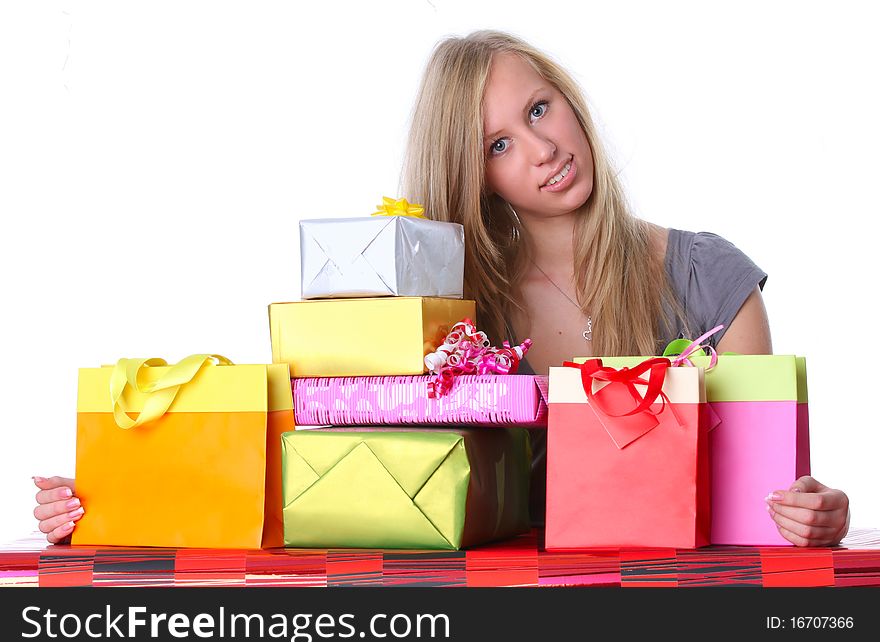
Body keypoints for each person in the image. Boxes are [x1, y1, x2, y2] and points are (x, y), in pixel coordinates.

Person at [34, 30, 849, 548]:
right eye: (499, 141)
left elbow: (765, 503)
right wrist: (110, 498)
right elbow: (315, 457)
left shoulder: (712, 282)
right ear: (473, 174)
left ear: (569, 98)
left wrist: (813, 513)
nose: (541, 148)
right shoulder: (436, 314)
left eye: (540, 108)